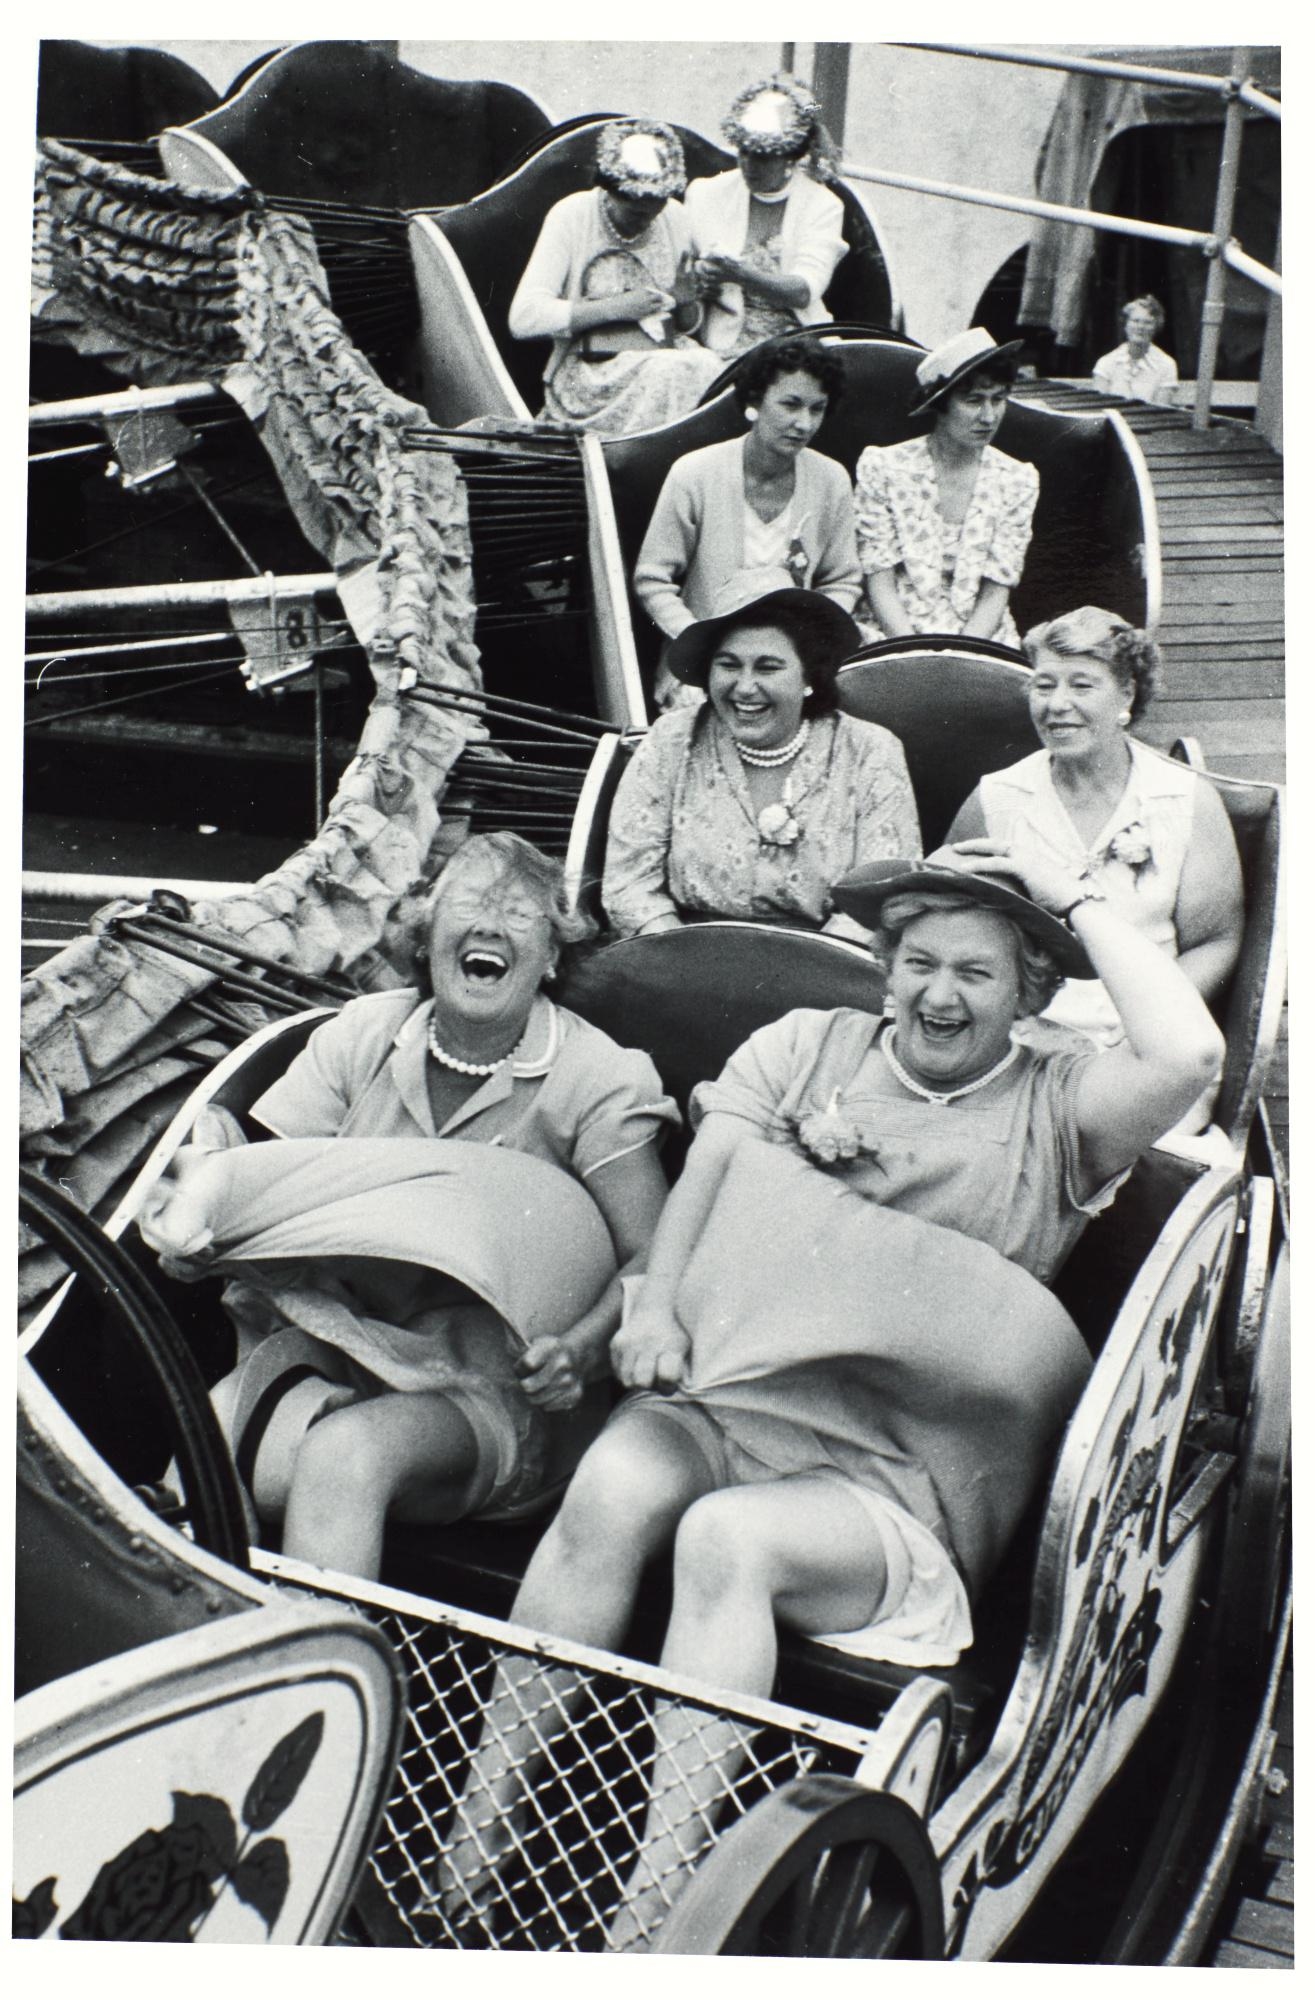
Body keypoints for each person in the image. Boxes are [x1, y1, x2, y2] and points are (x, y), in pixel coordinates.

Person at [437, 845, 1225, 1946]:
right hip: (735, 1398)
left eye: (975, 973)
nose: (937, 993)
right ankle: (471, 1845)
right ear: (884, 966)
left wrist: (1077, 891)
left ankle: (655, 1912)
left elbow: (1191, 1050)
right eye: (915, 963)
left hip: (893, 1467)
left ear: (1029, 993)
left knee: (723, 1538)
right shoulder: (807, 1046)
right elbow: (709, 1178)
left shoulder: (1061, 1106)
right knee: (613, 1481)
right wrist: (655, 1307)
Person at [138, 834, 676, 1581]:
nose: (490, 924)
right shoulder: (360, 1035)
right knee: (198, 1443)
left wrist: (581, 1351)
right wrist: (201, 1235)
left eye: (517, 913)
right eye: (468, 902)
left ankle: (328, 1688)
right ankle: (207, 1665)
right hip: (339, 1348)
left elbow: (656, 1255)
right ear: (425, 938)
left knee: (344, 1455)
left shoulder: (597, 1077)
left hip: (497, 1389)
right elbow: (270, 1188)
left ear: (551, 955)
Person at [945, 604, 1243, 1135]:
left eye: (1081, 686)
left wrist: (1138, 1025)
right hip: (1020, 1038)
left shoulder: (1184, 800)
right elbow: (949, 921)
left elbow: (1217, 940)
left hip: (1148, 1042)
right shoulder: (998, 798)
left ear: (1126, 695)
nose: (1057, 705)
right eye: (1043, 685)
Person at [602, 585, 919, 939]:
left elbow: (883, 895)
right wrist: (681, 958)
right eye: (728, 665)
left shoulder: (869, 750)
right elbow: (628, 882)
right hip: (681, 956)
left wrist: (814, 971)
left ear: (809, 677)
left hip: (827, 966)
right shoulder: (672, 740)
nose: (745, 687)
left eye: (767, 667)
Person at [634, 334, 860, 708]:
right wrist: (697, 641)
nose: (803, 423)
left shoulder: (831, 479)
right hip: (705, 666)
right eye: (790, 404)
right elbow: (652, 578)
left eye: (817, 409)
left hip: (796, 663)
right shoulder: (695, 473)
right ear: (755, 400)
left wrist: (811, 641)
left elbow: (844, 579)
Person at [507, 119, 722, 437]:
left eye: (655, 211)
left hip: (663, 353)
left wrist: (685, 301)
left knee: (710, 366)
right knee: (668, 371)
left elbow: (687, 324)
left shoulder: (674, 216)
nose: (646, 221)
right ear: (608, 192)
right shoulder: (572, 215)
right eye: (635, 213)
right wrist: (616, 307)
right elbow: (523, 318)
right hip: (592, 366)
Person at [854, 327, 1039, 646]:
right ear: (941, 405)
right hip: (893, 628)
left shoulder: (1018, 479)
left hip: (980, 632)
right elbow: (878, 579)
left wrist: (963, 654)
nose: (988, 416)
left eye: (998, 399)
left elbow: (997, 589)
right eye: (973, 400)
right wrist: (910, 649)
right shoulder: (884, 467)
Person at [683, 75, 848, 359]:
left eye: (763, 156)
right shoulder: (705, 193)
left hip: (797, 338)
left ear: (790, 157)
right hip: (723, 340)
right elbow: (682, 273)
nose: (749, 165)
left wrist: (741, 275)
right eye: (744, 152)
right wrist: (700, 279)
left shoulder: (823, 204)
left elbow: (803, 291)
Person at [1092, 296, 1179, 406]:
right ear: (1126, 325)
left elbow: (1161, 411)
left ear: (1156, 327)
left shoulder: (1167, 365)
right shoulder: (1106, 363)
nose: (1140, 327)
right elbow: (1100, 407)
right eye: (1135, 321)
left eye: (1148, 322)